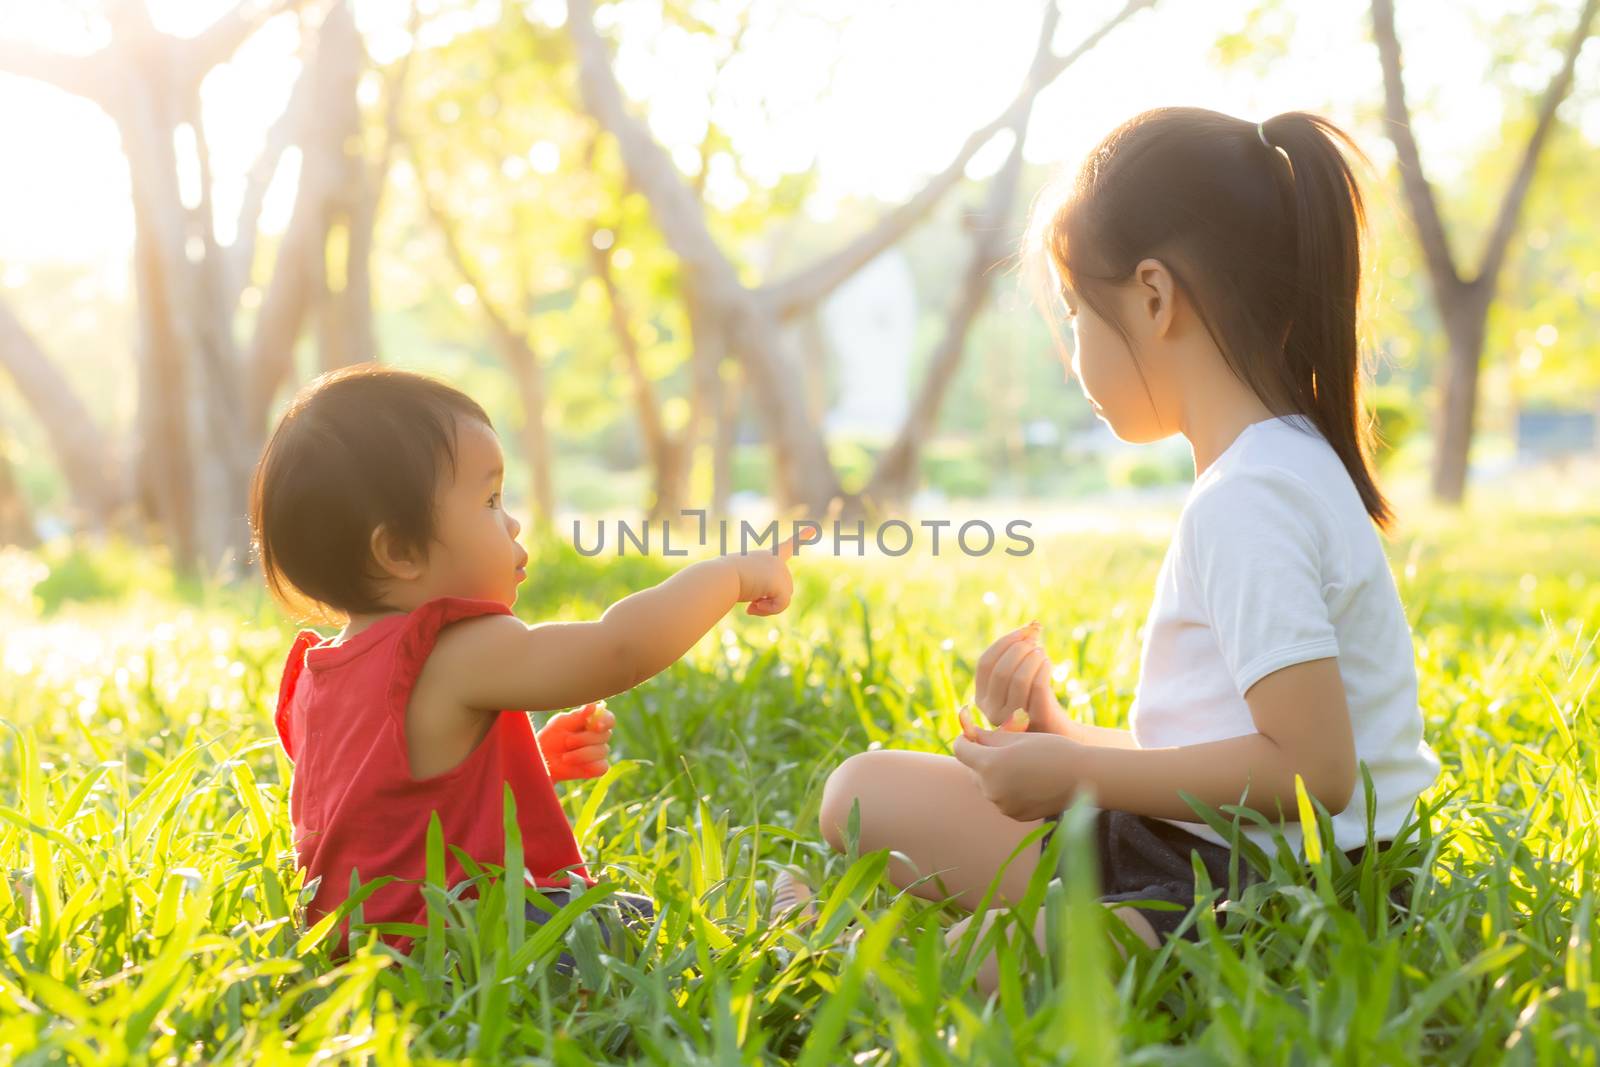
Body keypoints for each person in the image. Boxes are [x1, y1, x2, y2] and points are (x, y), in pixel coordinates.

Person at [786, 108, 1442, 995]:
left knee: (1002, 956)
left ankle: (845, 958)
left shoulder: (1254, 497)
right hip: (1199, 847)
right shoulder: (1272, 465)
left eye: (1078, 318)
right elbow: (1218, 753)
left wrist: (1080, 772)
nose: (1073, 357)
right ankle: (997, 921)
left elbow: (1313, 771)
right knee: (860, 791)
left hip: (1273, 892)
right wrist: (1062, 738)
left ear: (1155, 296)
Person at [253, 364, 795, 964]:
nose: (510, 521)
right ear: (400, 550)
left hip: (361, 949)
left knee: (626, 915)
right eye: (489, 500)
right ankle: (783, 939)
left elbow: (385, 809)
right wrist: (731, 575)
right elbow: (619, 648)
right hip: (468, 939)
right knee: (618, 923)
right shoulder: (447, 646)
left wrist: (524, 765)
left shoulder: (319, 670)